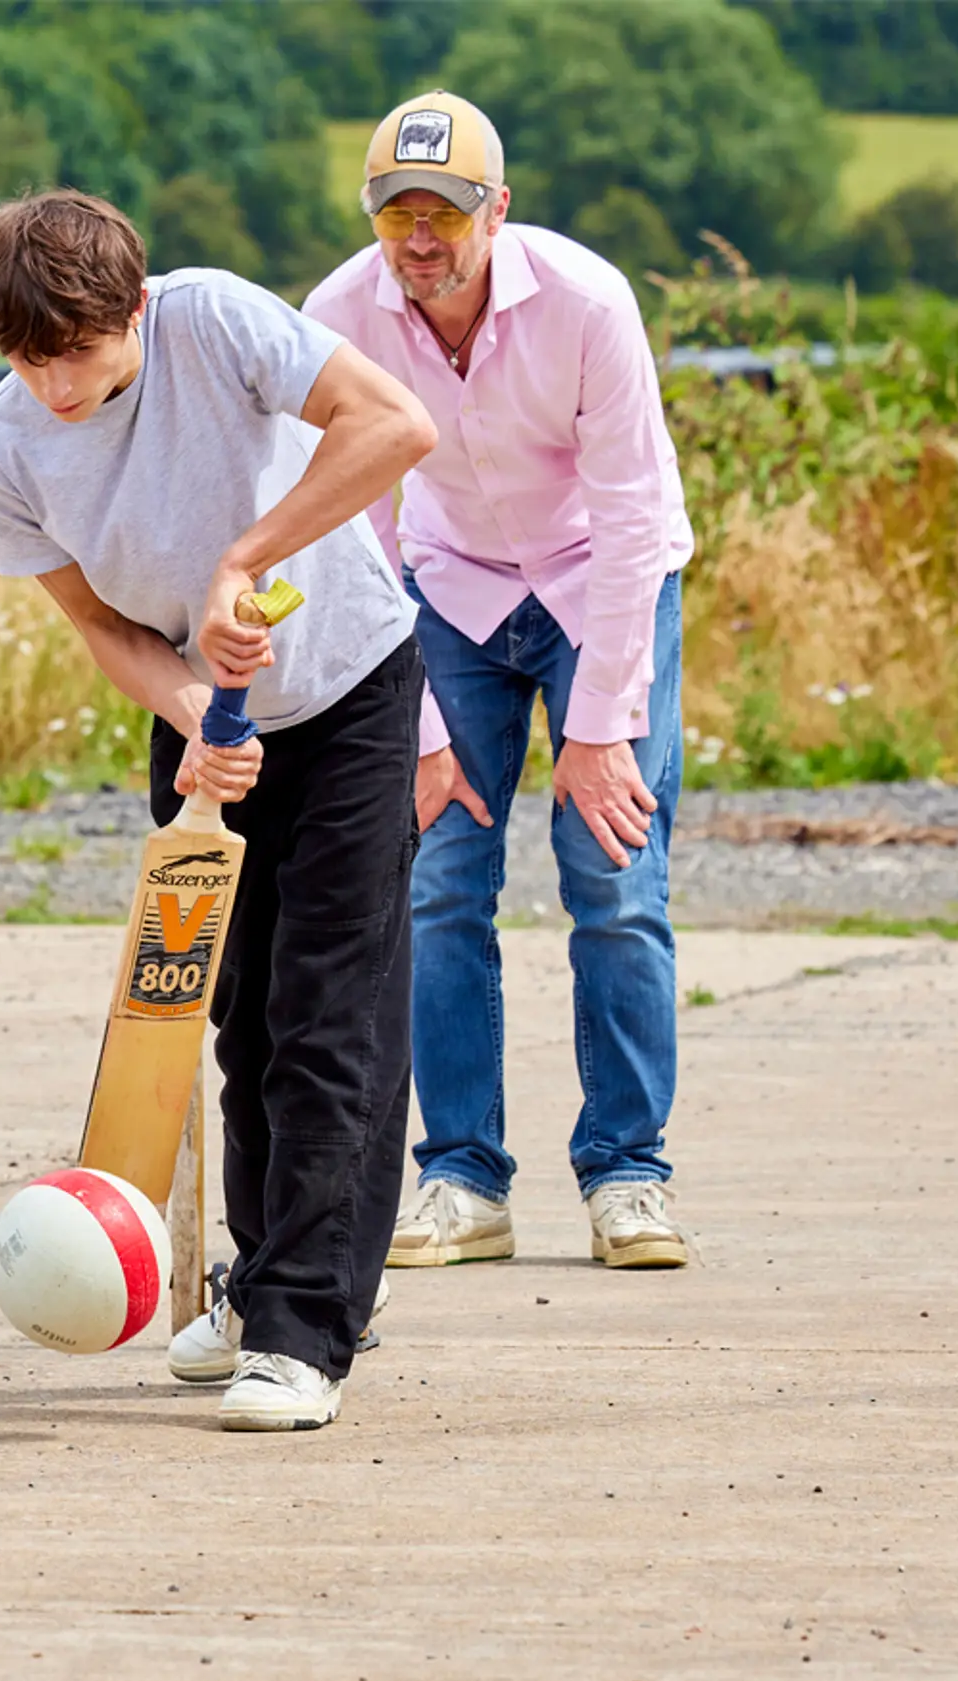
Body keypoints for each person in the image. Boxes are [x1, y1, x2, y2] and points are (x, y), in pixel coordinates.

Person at [0, 191, 437, 1433]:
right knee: (235, 1021)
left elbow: (396, 424)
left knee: (330, 1019)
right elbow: (105, 629)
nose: (55, 385)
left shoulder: (213, 321)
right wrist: (186, 712)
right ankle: (260, 1278)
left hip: (349, 692)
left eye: (78, 352)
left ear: (133, 306)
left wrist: (245, 559)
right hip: (204, 729)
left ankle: (304, 1332)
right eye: (26, 358)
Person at [304, 92, 700, 1271]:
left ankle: (628, 1175)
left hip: (599, 589)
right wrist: (416, 729)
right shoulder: (339, 316)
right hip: (450, 593)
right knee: (432, 879)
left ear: (498, 210)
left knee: (615, 877)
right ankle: (462, 1179)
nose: (419, 237)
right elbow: (351, 533)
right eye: (395, 212)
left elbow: (632, 519)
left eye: (444, 210)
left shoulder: (586, 302)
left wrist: (602, 725)